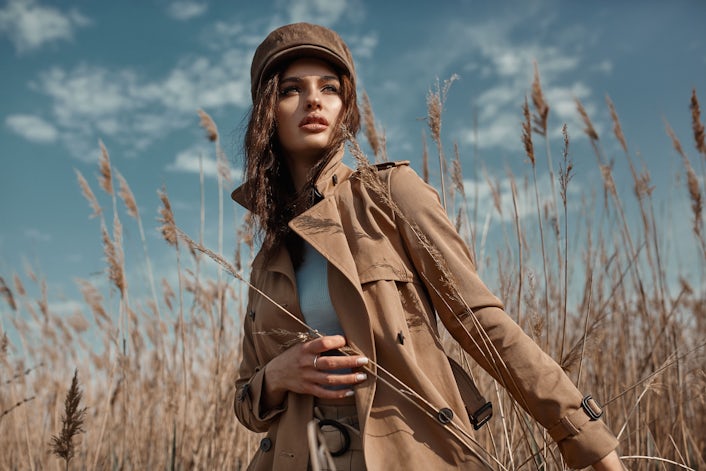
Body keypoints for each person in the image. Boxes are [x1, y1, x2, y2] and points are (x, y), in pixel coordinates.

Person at [232, 22, 622, 471]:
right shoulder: (270, 255)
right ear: (267, 111)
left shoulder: (390, 194)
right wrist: (277, 377)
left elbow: (481, 322)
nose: (314, 100)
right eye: (290, 90)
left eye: (330, 88)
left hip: (407, 455)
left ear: (346, 107)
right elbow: (247, 403)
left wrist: (584, 435)